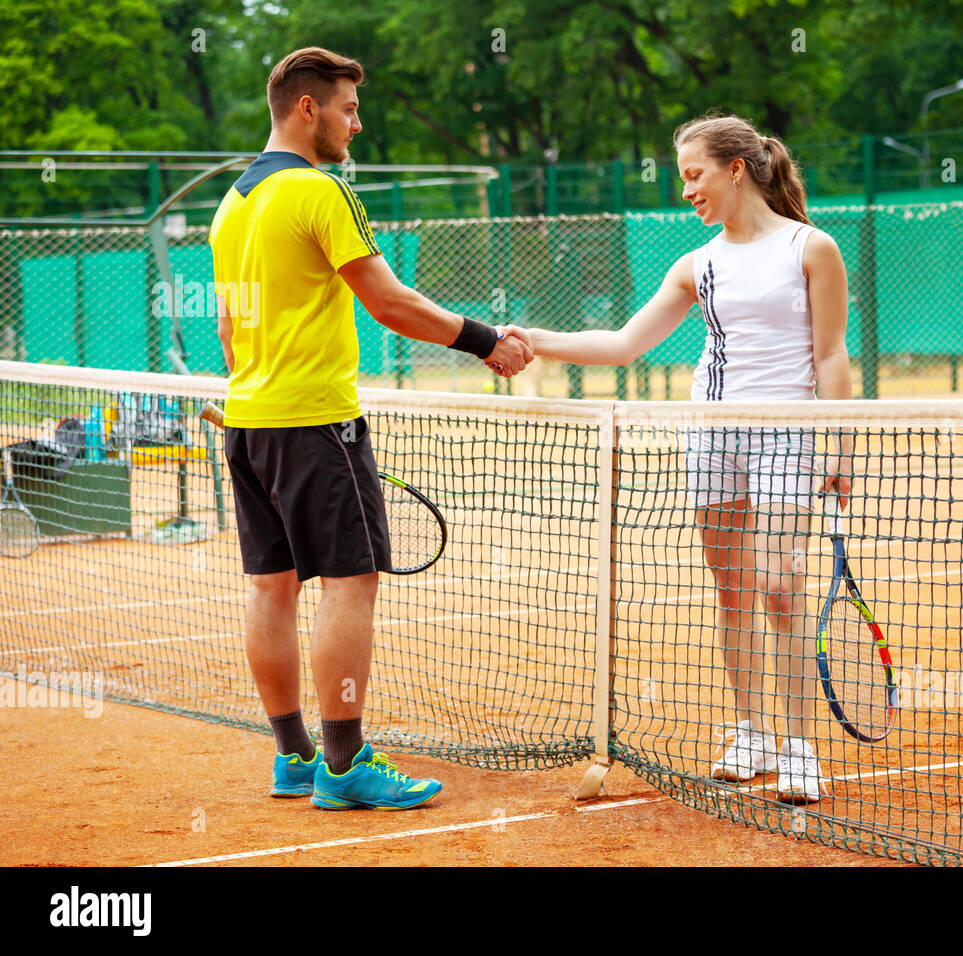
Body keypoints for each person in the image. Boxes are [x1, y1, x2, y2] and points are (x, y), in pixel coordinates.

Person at [209, 46, 532, 809]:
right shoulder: (320, 192)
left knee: (271, 585)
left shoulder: (232, 203)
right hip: (317, 422)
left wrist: (253, 386)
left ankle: (294, 756)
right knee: (351, 583)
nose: (359, 123)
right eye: (349, 109)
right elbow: (387, 302)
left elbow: (229, 330)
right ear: (308, 108)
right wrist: (486, 340)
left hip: (250, 421)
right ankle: (345, 764)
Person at [512, 114, 852, 803]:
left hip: (789, 432)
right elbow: (623, 344)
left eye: (694, 174)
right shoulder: (696, 265)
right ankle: (751, 731)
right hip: (710, 436)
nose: (686, 190)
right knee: (731, 592)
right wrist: (532, 338)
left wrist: (838, 442)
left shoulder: (812, 248)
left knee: (781, 589)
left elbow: (832, 353)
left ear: (736, 168)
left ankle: (798, 747)